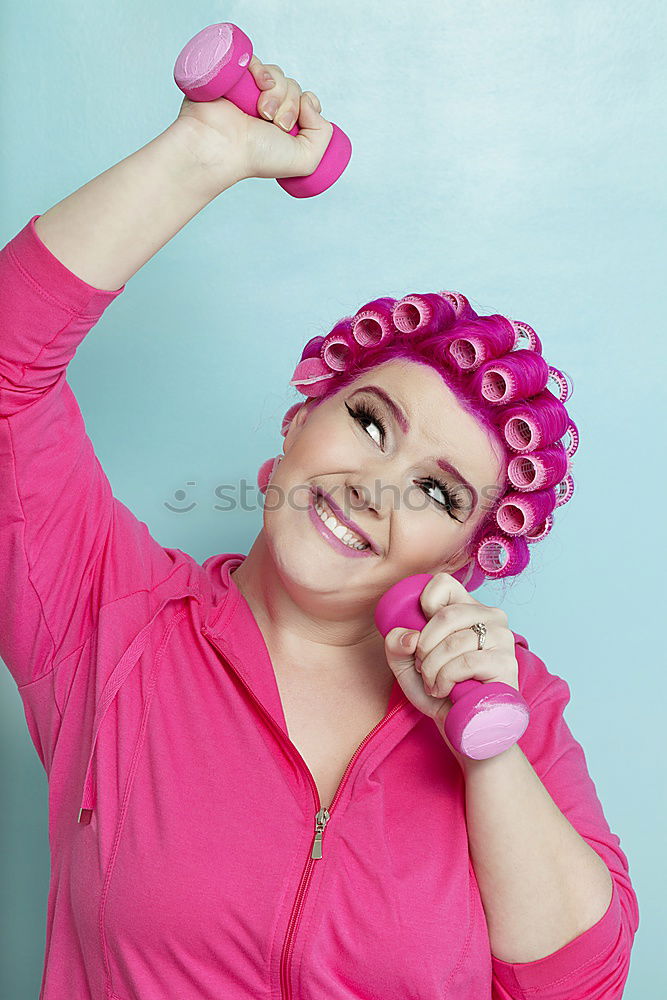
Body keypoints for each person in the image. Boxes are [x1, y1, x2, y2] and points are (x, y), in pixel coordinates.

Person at [0, 52, 638, 1000]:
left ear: (465, 557)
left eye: (437, 492)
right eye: (370, 422)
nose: (372, 486)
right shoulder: (112, 616)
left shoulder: (514, 704)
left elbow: (576, 982)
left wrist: (485, 752)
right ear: (300, 423)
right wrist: (204, 150)